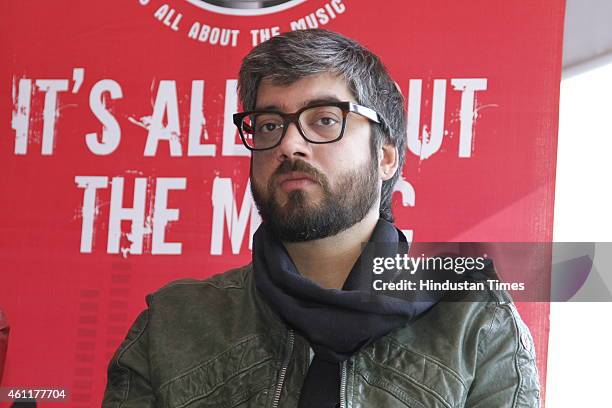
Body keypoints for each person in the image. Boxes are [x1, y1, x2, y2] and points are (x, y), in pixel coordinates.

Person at [103, 29, 540, 407]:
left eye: (325, 120)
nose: (290, 144)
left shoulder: (474, 323)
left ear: (385, 156)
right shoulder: (174, 324)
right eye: (270, 125)